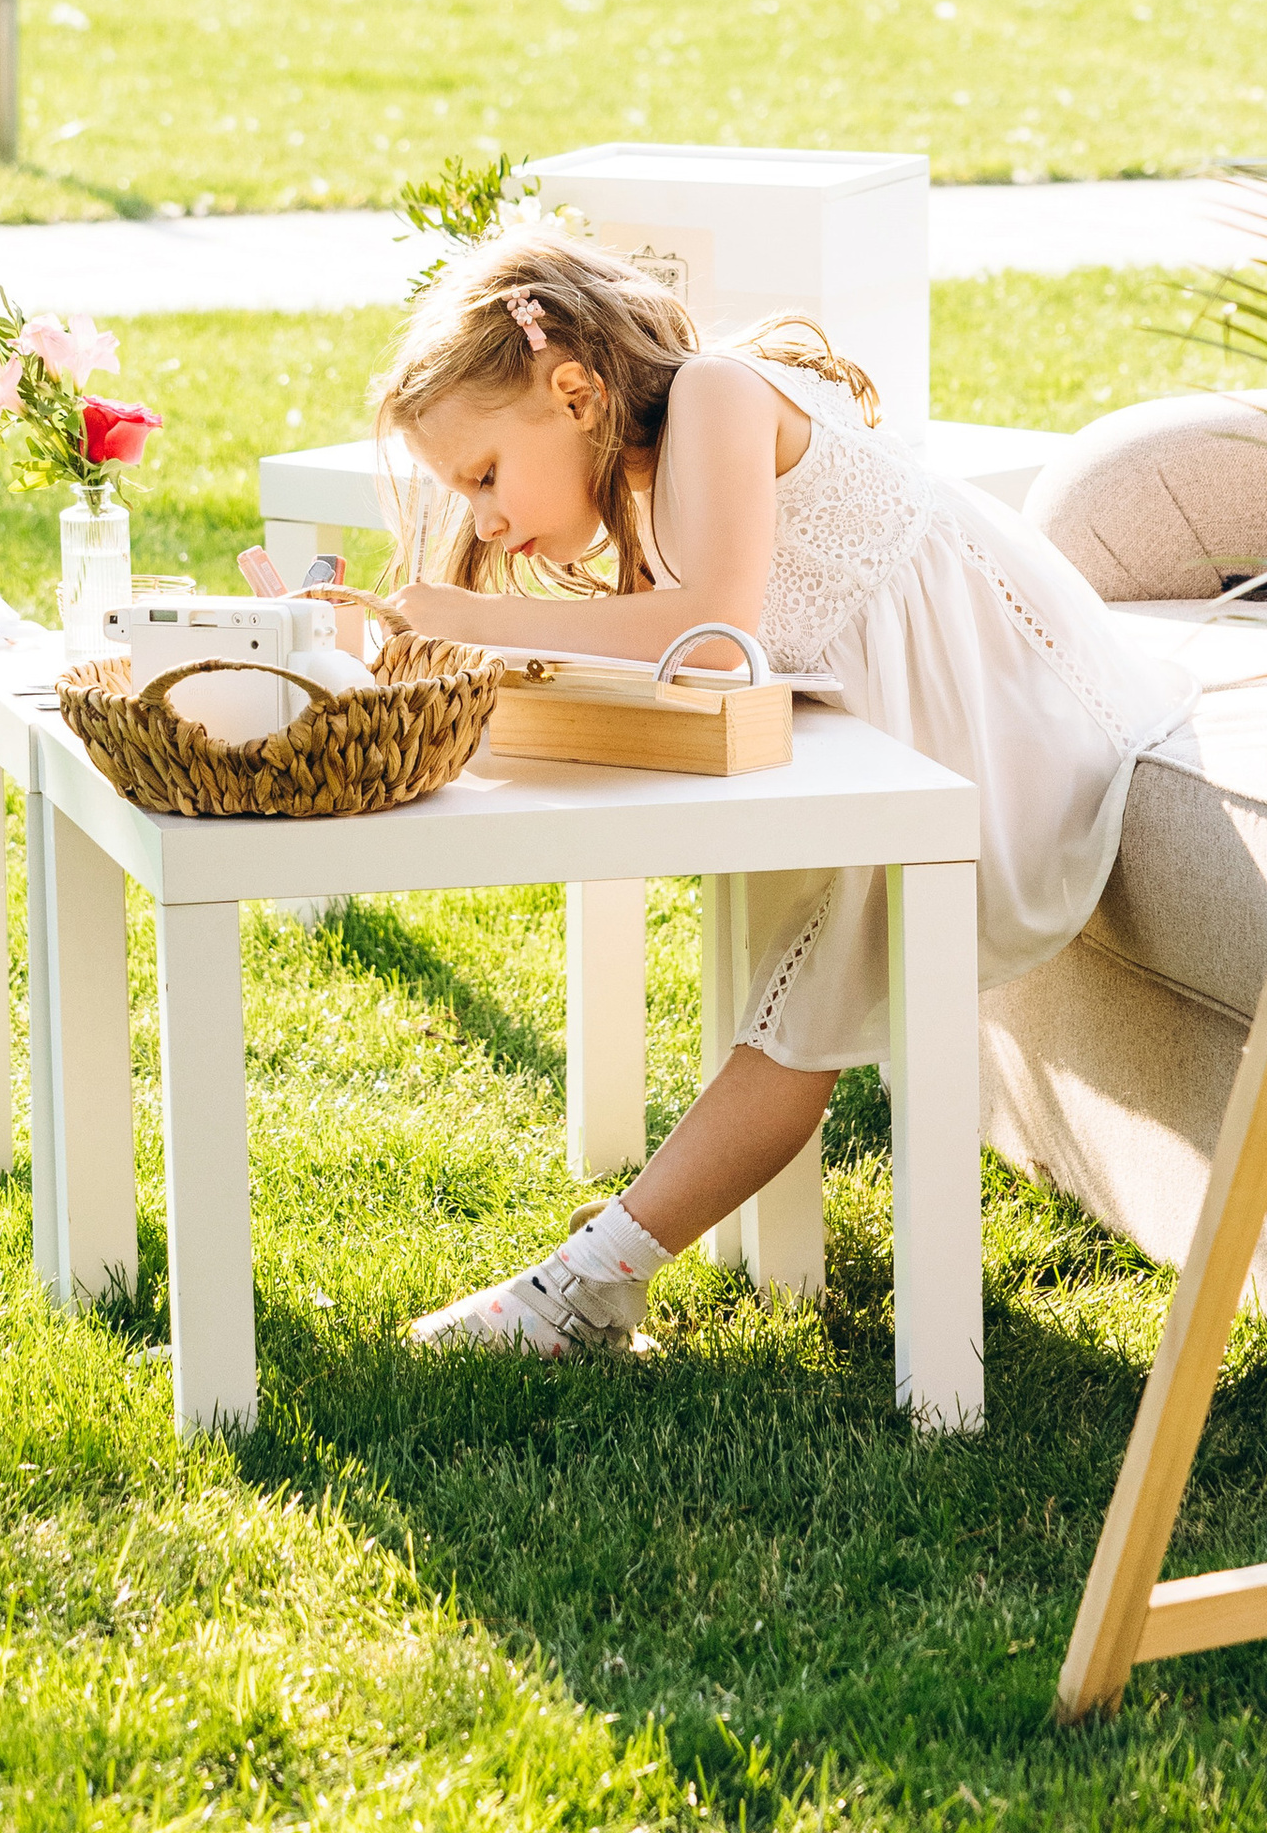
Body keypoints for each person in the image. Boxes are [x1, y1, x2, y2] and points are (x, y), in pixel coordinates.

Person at [375, 227, 1207, 1360]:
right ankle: (606, 1264)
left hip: (1017, 734)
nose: (483, 519)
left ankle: (586, 1284)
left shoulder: (716, 396)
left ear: (575, 393)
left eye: (482, 476)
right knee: (788, 982)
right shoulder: (639, 482)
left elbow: (709, 635)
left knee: (800, 1010)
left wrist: (478, 617)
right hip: (899, 742)